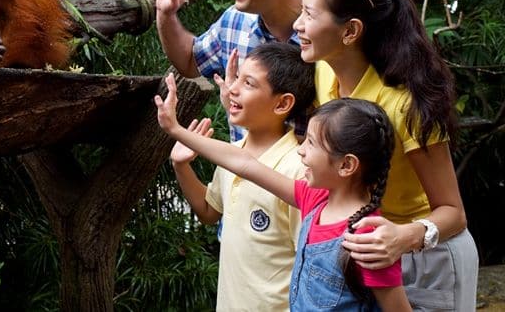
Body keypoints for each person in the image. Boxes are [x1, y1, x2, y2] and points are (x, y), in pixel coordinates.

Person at [293, 0, 478, 310]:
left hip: (430, 257)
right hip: (375, 251)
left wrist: (403, 237)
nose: (298, 25)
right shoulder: (324, 72)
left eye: (310, 15)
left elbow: (453, 213)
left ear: (350, 31)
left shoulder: (403, 105)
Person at [158, 83, 414, 311]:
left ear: (346, 165)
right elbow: (244, 163)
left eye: (311, 143)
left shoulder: (368, 241)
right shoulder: (315, 199)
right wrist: (176, 130)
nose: (300, 151)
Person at [169, 42, 315, 311]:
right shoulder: (231, 155)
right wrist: (181, 167)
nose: (232, 89)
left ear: (283, 103)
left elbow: (310, 264)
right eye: (236, 78)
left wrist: (175, 128)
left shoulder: (296, 171)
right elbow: (209, 211)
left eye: (248, 83)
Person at [156, 0, 318, 140]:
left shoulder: (332, 36)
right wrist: (166, 14)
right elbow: (190, 61)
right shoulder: (234, 20)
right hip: (240, 174)